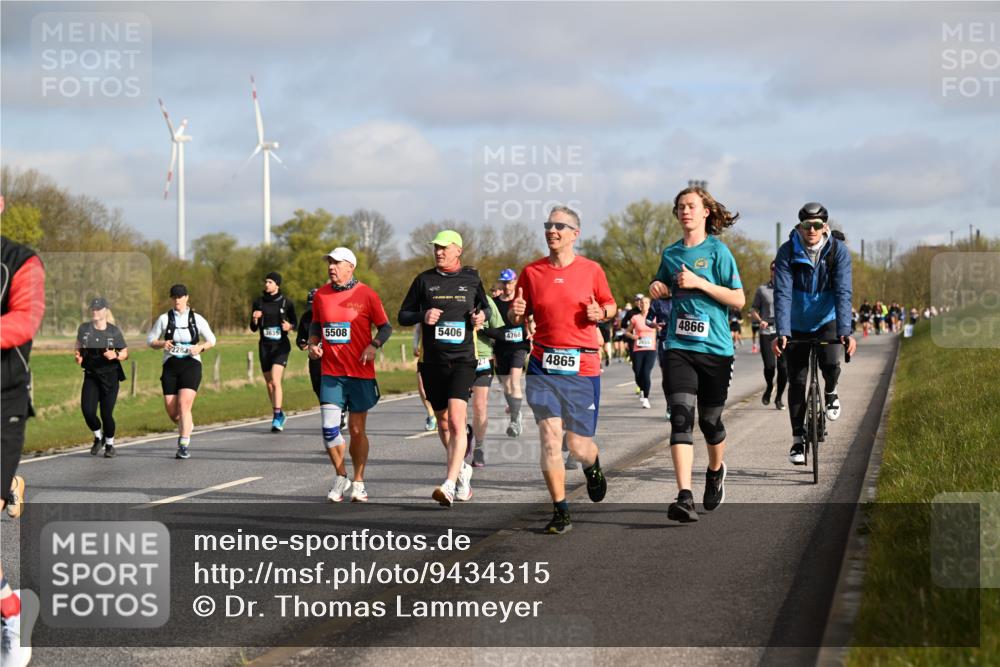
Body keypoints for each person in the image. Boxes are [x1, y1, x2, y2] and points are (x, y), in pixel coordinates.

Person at [510, 205, 615, 535]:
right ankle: (560, 510)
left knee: (578, 444)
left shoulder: (592, 270)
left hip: (582, 365)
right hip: (543, 363)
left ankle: (592, 465)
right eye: (548, 225)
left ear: (575, 233)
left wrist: (602, 313)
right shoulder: (531, 272)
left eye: (559, 225)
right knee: (550, 437)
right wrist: (515, 312)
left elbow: (609, 305)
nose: (551, 230)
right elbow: (517, 316)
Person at [649, 186, 744, 523]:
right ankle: (684, 496)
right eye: (680, 207)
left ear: (705, 212)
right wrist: (656, 288)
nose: (685, 211)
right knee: (680, 416)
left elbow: (738, 299)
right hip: (679, 346)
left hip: (716, 348)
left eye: (691, 206)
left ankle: (716, 470)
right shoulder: (671, 253)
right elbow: (659, 284)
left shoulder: (718, 253)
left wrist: (701, 283)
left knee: (709, 421)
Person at [398, 230, 489, 507]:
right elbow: (403, 315)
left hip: (463, 359)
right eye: (436, 248)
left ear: (457, 251)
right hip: (432, 362)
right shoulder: (424, 280)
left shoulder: (471, 278)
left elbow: (484, 307)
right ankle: (462, 470)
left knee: (458, 420)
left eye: (444, 248)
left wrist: (481, 316)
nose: (438, 252)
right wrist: (422, 315)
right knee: (443, 422)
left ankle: (448, 484)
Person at [773, 202, 856, 466]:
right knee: (796, 381)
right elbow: (782, 294)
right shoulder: (787, 252)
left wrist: (845, 331)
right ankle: (798, 440)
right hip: (796, 323)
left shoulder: (838, 252)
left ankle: (830, 392)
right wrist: (782, 331)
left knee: (831, 363)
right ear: (799, 227)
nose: (812, 230)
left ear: (825, 227)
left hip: (826, 320)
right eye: (807, 225)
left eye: (817, 225)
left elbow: (843, 292)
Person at [306, 248, 392, 503]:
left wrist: (373, 345)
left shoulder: (366, 294)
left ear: (350, 267)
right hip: (331, 373)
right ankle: (341, 474)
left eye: (336, 263)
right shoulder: (321, 295)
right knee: (329, 429)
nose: (331, 267)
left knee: (356, 430)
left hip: (360, 372)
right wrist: (313, 343)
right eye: (329, 263)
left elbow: (386, 327)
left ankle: (359, 481)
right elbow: (315, 323)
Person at [1, 208, 46, 666]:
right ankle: (10, 607)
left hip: (2, 404)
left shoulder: (20, 261)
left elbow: (24, 321)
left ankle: (12, 618)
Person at [146, 284, 217, 459]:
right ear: (172, 299)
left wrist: (200, 348)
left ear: (186, 297)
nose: (177, 300)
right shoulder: (164, 318)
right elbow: (150, 340)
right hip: (170, 365)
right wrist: (163, 344)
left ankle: (183, 444)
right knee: (173, 411)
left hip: (191, 365)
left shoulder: (197, 319)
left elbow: (212, 340)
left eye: (180, 297)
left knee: (184, 405)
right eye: (174, 297)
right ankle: (187, 426)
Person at [75, 297, 129, 458]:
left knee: (106, 414)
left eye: (98, 309)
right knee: (88, 411)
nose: (95, 311)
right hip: (91, 376)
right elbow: (78, 344)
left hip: (110, 378)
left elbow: (125, 353)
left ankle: (110, 445)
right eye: (93, 308)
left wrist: (116, 354)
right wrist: (78, 355)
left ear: (105, 311)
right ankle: (98, 437)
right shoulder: (84, 329)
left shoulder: (113, 331)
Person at [250, 272, 297, 432]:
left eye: (270, 282)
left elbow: (296, 323)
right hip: (264, 346)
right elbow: (253, 328)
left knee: (276, 381)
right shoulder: (259, 302)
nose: (267, 284)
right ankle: (280, 413)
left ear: (277, 284)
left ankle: (276, 417)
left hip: (281, 346)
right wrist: (255, 318)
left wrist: (289, 327)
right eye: (266, 281)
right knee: (269, 384)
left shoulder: (286, 303)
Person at [492, 269, 532, 444]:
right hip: (501, 349)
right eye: (504, 283)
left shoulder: (521, 301)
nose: (507, 286)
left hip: (519, 346)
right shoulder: (493, 303)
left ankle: (515, 421)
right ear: (500, 283)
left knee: (514, 381)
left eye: (510, 283)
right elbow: (489, 323)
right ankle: (516, 410)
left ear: (516, 282)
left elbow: (531, 317)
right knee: (506, 385)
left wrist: (532, 331)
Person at [468, 291, 505, 468]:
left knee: (479, 405)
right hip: (459, 358)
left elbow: (500, 333)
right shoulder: (453, 297)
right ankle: (465, 434)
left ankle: (479, 447)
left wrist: (482, 328)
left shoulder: (487, 301)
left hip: (483, 358)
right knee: (455, 407)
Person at [750, 262, 787, 410]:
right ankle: (769, 387)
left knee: (784, 368)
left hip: (783, 332)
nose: (775, 271)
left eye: (778, 268)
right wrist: (760, 320)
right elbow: (753, 309)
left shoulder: (788, 288)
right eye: (773, 269)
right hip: (767, 331)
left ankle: (778, 398)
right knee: (770, 366)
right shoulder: (762, 290)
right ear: (770, 272)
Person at [625, 296, 657, 409]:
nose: (643, 304)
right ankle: (642, 389)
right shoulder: (635, 318)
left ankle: (646, 398)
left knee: (646, 373)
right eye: (641, 303)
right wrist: (634, 336)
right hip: (638, 349)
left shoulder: (654, 317)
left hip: (650, 349)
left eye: (646, 303)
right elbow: (626, 332)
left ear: (649, 304)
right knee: (638, 374)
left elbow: (660, 328)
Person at [646, 291, 673, 421]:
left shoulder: (682, 298)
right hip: (664, 342)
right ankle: (669, 404)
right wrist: (654, 325)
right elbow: (647, 320)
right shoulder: (657, 302)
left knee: (680, 376)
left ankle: (680, 404)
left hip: (681, 342)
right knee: (667, 377)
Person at [296, 288, 322, 401]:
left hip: (331, 356)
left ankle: (339, 409)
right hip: (314, 357)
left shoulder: (331, 313)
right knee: (317, 386)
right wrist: (302, 343)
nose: (313, 309)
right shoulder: (306, 317)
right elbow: (300, 338)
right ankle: (327, 408)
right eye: (311, 305)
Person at [411, 327, 437, 431]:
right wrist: (415, 345)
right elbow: (418, 329)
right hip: (425, 355)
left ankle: (444, 414)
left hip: (446, 355)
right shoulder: (424, 310)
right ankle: (431, 416)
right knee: (422, 386)